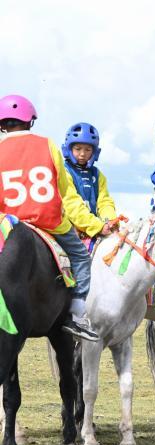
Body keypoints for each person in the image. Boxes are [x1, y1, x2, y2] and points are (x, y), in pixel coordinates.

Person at [0, 95, 107, 341]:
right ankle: (76, 315)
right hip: (48, 221)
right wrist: (94, 226)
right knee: (80, 257)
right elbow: (65, 194)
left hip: (8, 223)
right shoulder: (47, 145)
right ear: (30, 121)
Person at [61, 122, 116, 251]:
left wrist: (109, 221)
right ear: (69, 149)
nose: (82, 154)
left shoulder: (97, 175)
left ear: (94, 151)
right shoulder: (63, 171)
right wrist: (97, 226)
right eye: (78, 149)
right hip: (68, 231)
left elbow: (104, 202)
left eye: (87, 150)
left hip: (94, 230)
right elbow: (71, 205)